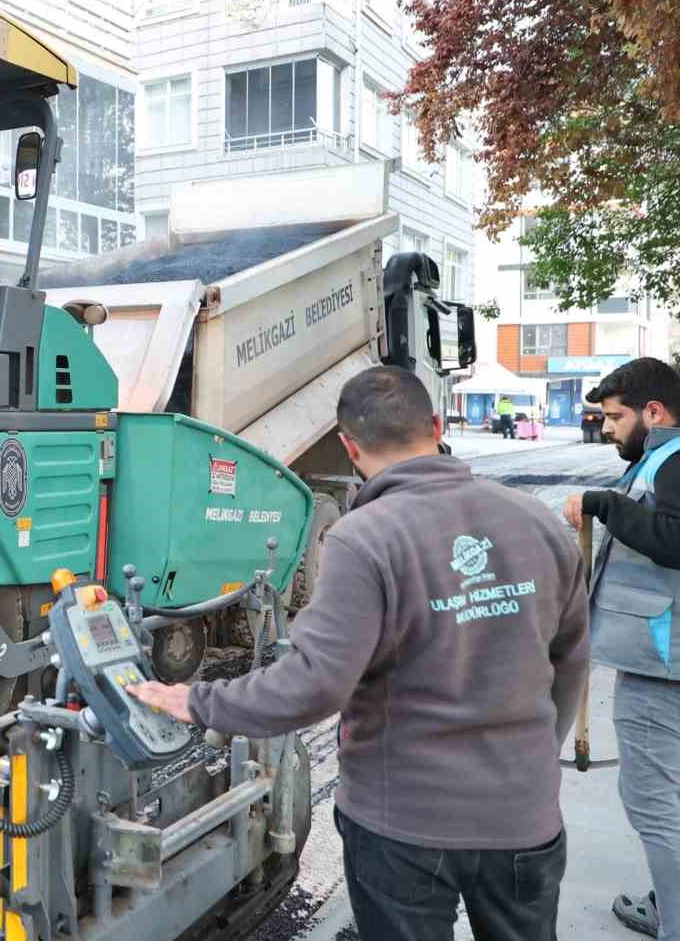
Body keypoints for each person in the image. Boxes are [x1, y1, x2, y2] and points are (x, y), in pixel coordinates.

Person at [132, 366, 588, 941]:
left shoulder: (364, 537)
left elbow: (314, 685)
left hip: (405, 828)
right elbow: (571, 661)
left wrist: (198, 701)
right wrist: (533, 756)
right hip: (523, 815)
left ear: (349, 447)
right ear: (437, 425)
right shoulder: (536, 521)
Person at [561, 357, 680, 940]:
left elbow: (674, 540)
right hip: (665, 661)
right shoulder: (662, 461)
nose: (606, 428)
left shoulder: (673, 461)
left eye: (615, 416)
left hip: (662, 668)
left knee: (656, 805)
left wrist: (605, 504)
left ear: (653, 412)